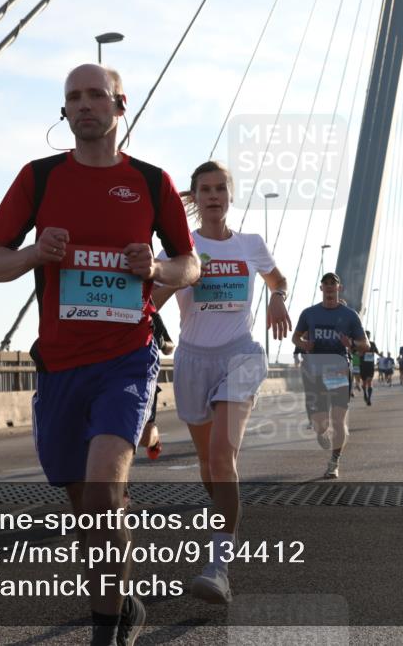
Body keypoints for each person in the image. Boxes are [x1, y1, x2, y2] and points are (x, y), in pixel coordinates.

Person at [0, 63, 199, 646]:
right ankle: (121, 602)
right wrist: (33, 253)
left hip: (127, 358)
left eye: (96, 95)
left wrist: (156, 268)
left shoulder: (150, 181)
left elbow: (189, 264)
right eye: (73, 97)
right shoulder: (39, 178)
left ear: (120, 106)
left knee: (103, 492)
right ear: (64, 110)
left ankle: (105, 634)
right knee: (87, 508)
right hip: (59, 366)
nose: (84, 105)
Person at [152, 160, 291, 605]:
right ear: (195, 198)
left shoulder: (251, 244)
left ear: (230, 196)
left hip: (241, 355)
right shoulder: (180, 248)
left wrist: (277, 298)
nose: (213, 196)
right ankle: (225, 520)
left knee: (222, 455)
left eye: (220, 189)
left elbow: (278, 280)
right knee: (208, 466)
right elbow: (150, 302)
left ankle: (218, 568)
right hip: (193, 360)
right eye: (205, 190)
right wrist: (174, 280)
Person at [292, 273, 369, 479]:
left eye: (332, 284)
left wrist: (351, 344)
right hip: (315, 371)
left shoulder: (350, 315)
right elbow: (295, 337)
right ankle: (321, 431)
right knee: (321, 424)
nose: (329, 287)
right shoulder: (309, 313)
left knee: (337, 420)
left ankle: (334, 462)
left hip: (338, 371)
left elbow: (365, 345)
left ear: (339, 288)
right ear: (321, 288)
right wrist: (303, 344)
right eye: (325, 284)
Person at [138, 311, 174, 459]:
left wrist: (162, 343)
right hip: (109, 374)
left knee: (145, 438)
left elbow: (170, 346)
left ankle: (154, 439)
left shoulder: (149, 311)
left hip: (145, 377)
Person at [358, 331, 380, 406]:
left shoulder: (372, 344)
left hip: (370, 365)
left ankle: (369, 399)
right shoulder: (360, 344)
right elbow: (356, 353)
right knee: (364, 383)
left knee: (369, 381)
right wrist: (360, 354)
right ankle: (365, 393)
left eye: (368, 335)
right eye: (366, 335)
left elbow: (377, 352)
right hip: (363, 365)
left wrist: (381, 356)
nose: (367, 337)